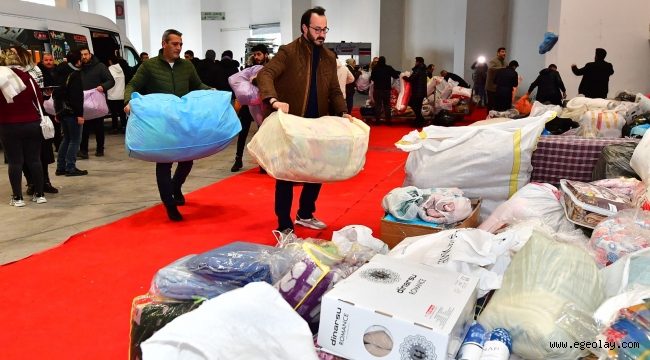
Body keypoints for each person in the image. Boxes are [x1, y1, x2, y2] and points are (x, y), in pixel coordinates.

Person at [257, 6, 352, 234]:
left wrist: (342, 112)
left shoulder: (329, 57)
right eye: (317, 29)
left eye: (324, 29)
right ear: (304, 28)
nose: (322, 34)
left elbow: (334, 91)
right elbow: (265, 74)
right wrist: (273, 100)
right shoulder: (288, 52)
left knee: (316, 171)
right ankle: (284, 225)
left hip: (317, 125)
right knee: (286, 175)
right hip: (292, 125)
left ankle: (305, 213)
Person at [124, 29, 212, 222]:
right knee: (164, 163)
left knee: (188, 159)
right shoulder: (149, 66)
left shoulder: (187, 66)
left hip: (183, 120)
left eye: (180, 44)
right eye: (175, 44)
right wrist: (127, 102)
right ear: (164, 43)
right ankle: (169, 204)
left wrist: (212, 91)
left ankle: (176, 186)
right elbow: (133, 85)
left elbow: (198, 85)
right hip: (161, 122)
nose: (179, 48)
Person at [0, 50, 47, 206]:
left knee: (15, 162)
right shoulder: (29, 79)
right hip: (32, 123)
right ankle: (40, 194)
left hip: (8, 125)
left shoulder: (1, 80)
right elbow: (39, 100)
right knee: (34, 160)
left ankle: (18, 197)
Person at [11, 48, 58, 195]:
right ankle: (30, 182)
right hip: (14, 117)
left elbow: (38, 96)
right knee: (21, 155)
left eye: (15, 52)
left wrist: (45, 93)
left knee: (40, 153)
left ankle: (45, 182)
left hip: (36, 116)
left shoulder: (35, 70)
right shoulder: (7, 72)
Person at [231, 44, 269, 173]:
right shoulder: (249, 69)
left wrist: (255, 81)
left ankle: (262, 162)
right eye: (255, 54)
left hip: (262, 105)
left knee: (262, 133)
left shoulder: (270, 68)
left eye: (259, 54)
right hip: (248, 105)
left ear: (266, 55)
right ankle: (238, 159)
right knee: (243, 132)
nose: (257, 57)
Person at [53, 50, 87, 178]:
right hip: (72, 112)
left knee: (66, 139)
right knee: (75, 140)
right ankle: (70, 167)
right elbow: (77, 96)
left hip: (61, 110)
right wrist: (80, 114)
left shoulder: (58, 72)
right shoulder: (75, 75)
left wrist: (57, 112)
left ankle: (60, 167)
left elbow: (55, 93)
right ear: (78, 61)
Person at [78, 46, 114, 158]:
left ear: (90, 55)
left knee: (98, 127)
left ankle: (100, 149)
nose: (84, 57)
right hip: (83, 102)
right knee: (84, 128)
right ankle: (83, 150)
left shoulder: (100, 67)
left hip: (96, 103)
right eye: (82, 55)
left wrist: (103, 87)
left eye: (85, 54)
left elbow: (111, 80)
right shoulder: (78, 68)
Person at [37, 53, 62, 151]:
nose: (48, 62)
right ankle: (47, 148)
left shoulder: (58, 70)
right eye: (46, 60)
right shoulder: (39, 71)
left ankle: (58, 145)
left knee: (57, 125)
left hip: (56, 100)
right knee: (46, 124)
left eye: (50, 60)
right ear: (42, 61)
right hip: (44, 101)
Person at [369, 56, 399, 126]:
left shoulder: (375, 68)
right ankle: (389, 122)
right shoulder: (388, 68)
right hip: (386, 89)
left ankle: (377, 122)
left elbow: (372, 79)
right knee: (387, 105)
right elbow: (396, 75)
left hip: (377, 89)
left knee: (378, 105)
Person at [402, 56, 428, 128]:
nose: (415, 63)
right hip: (422, 92)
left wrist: (403, 77)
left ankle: (421, 119)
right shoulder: (424, 70)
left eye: (415, 61)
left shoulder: (418, 70)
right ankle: (418, 121)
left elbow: (411, 79)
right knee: (418, 106)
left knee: (412, 103)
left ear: (418, 62)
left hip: (417, 91)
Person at [107, 55, 127, 134]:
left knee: (114, 114)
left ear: (110, 61)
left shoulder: (109, 70)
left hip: (112, 96)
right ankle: (123, 127)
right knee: (122, 113)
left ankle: (115, 128)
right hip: (121, 95)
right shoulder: (121, 69)